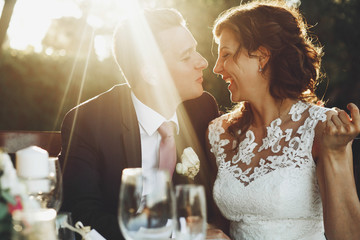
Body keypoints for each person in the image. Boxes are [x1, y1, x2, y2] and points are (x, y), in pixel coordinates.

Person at [59, 8, 228, 240]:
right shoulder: (89, 121)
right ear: (151, 73)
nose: (203, 62)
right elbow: (83, 213)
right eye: (186, 56)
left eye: (195, 50)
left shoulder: (202, 109)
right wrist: (175, 236)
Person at [206, 1, 360, 239]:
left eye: (226, 54)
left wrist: (337, 154)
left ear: (262, 56)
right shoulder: (219, 132)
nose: (217, 68)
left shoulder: (321, 127)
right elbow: (217, 221)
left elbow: (347, 235)